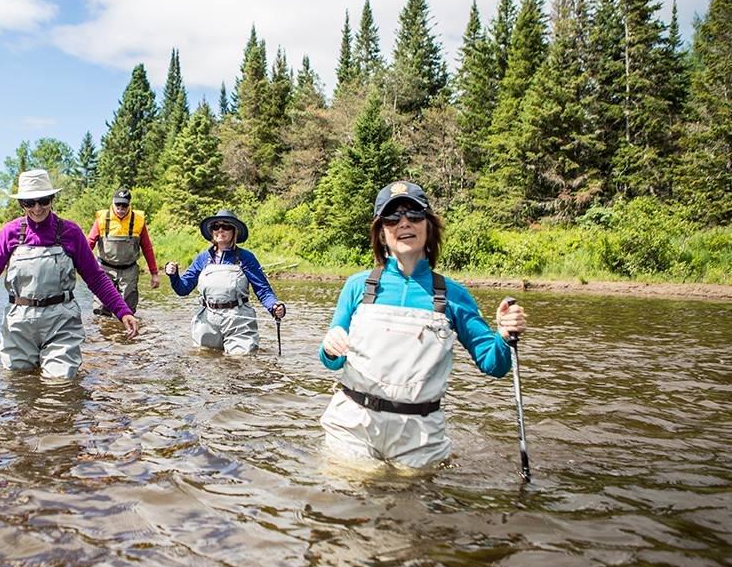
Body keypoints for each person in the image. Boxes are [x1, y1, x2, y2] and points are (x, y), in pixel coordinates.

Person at [317, 180, 528, 469]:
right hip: (353, 425)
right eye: (392, 217)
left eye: (414, 215)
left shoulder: (453, 294)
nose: (404, 222)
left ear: (428, 228)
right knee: (353, 496)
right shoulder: (357, 286)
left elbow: (494, 365)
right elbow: (331, 361)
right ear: (381, 233)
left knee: (413, 510)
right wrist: (330, 346)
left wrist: (504, 335)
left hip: (420, 435)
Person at [0, 169, 140, 379]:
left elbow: (96, 277)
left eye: (43, 200)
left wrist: (122, 311)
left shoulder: (71, 232)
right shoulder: (9, 233)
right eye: (29, 203)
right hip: (18, 323)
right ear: (21, 204)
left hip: (62, 320)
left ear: (52, 199)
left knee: (60, 386)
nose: (37, 208)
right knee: (19, 386)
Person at [164, 209, 285, 355]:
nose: (220, 230)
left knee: (241, 361)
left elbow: (263, 290)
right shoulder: (203, 258)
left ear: (234, 231)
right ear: (211, 231)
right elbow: (182, 289)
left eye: (226, 226)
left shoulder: (246, 258)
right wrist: (173, 275)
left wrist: (274, 306)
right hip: (206, 320)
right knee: (205, 360)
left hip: (238, 319)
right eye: (216, 226)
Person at [86, 187, 160, 314]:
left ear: (129, 205)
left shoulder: (138, 221)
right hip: (105, 268)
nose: (120, 209)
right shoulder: (102, 219)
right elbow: (89, 243)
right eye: (118, 205)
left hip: (129, 271)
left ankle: (126, 333)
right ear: (113, 203)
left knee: (127, 310)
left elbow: (147, 248)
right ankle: (106, 332)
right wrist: (79, 264)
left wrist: (154, 273)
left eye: (124, 206)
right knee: (101, 310)